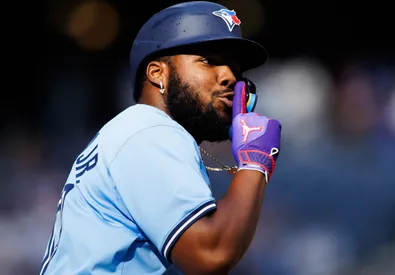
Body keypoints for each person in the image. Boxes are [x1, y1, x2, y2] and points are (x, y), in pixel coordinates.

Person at [40, 1, 282, 275]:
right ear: (157, 73)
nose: (229, 77)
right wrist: (255, 164)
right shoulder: (148, 130)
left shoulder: (132, 133)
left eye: (235, 68)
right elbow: (211, 254)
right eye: (209, 61)